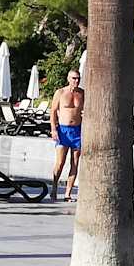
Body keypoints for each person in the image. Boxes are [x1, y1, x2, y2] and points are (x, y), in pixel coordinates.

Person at [49, 69, 85, 202]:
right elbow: (53, 111)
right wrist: (53, 129)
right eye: (74, 78)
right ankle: (54, 189)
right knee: (60, 162)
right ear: (68, 78)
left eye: (78, 78)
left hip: (77, 131)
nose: (76, 81)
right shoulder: (60, 93)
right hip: (63, 130)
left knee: (75, 162)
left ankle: (68, 193)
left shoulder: (82, 93)